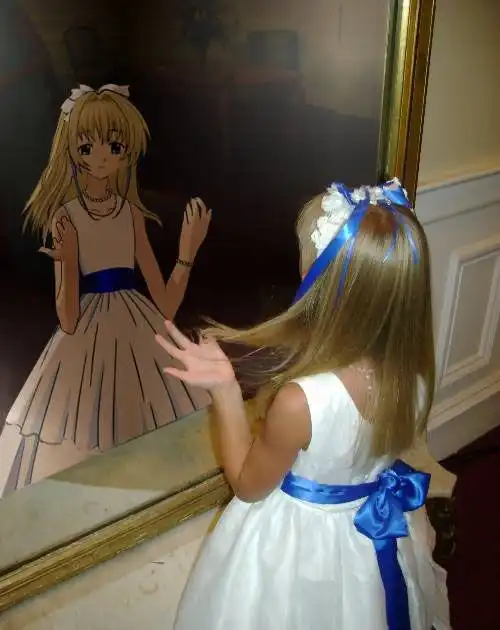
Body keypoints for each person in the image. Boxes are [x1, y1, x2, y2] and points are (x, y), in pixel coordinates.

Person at [156, 178, 451, 630]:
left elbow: (249, 485)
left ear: (324, 291)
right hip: (369, 538)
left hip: (302, 545)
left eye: (307, 265)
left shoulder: (302, 402)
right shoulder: (417, 377)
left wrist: (225, 392)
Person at [0, 84, 211, 496]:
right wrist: (66, 260)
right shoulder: (66, 216)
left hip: (140, 325)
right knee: (83, 441)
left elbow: (166, 306)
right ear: (72, 152)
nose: (101, 157)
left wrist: (187, 252)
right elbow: (68, 321)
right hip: (85, 339)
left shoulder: (131, 214)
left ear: (126, 153)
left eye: (114, 146)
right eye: (87, 147)